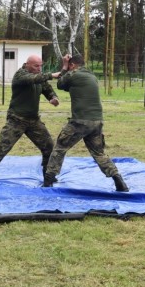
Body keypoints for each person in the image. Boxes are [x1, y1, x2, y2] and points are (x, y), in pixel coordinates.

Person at [0, 55, 62, 183]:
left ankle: (48, 177)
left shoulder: (38, 76)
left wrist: (53, 97)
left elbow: (46, 88)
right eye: (36, 66)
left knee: (49, 147)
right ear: (27, 64)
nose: (39, 68)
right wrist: (52, 75)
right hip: (16, 120)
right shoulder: (20, 75)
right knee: (1, 150)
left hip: (34, 120)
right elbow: (33, 79)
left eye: (41, 65)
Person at [43, 54, 129, 192]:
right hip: (97, 121)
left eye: (70, 66)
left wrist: (64, 67)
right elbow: (66, 86)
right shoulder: (91, 76)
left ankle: (48, 180)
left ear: (72, 65)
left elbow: (60, 84)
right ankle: (117, 179)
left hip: (80, 121)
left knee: (59, 148)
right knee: (99, 153)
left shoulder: (74, 75)